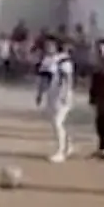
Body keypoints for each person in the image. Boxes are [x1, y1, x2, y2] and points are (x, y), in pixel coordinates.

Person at [35, 35, 74, 163]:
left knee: (57, 122)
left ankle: (60, 152)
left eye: (50, 45)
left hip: (61, 96)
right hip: (51, 95)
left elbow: (68, 79)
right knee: (55, 122)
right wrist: (40, 94)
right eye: (46, 45)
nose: (48, 47)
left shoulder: (64, 60)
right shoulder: (46, 61)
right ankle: (68, 145)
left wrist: (66, 93)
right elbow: (43, 79)